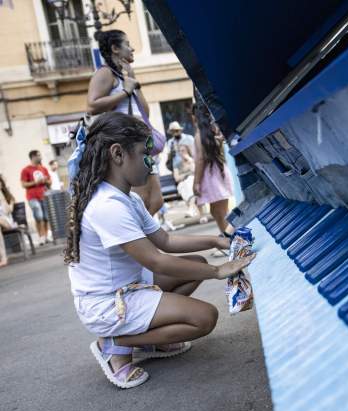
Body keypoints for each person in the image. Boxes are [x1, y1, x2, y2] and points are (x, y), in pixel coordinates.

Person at [65, 112, 255, 389]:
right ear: (118, 154)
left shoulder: (126, 198)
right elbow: (156, 260)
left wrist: (216, 241)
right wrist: (217, 271)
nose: (152, 162)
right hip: (107, 304)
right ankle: (116, 343)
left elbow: (165, 241)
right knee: (204, 318)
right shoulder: (107, 205)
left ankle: (149, 337)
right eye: (145, 153)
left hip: (128, 286)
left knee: (194, 265)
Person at [86, 29, 163, 215]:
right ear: (115, 48)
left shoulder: (125, 74)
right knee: (141, 199)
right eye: (127, 44)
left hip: (140, 141)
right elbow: (92, 105)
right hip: (126, 143)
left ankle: (143, 237)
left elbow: (145, 111)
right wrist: (125, 92)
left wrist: (133, 83)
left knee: (156, 200)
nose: (132, 48)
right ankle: (138, 241)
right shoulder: (105, 73)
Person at [193, 103, 234, 237]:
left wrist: (196, 183)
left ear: (196, 117)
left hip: (211, 176)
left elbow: (200, 160)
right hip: (218, 173)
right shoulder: (213, 131)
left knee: (220, 214)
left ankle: (234, 242)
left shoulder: (200, 135)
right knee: (218, 212)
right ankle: (228, 241)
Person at [20, 150, 51, 246]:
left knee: (46, 217)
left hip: (44, 196)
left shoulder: (43, 169)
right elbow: (23, 184)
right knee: (39, 216)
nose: (41, 157)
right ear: (33, 157)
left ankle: (46, 236)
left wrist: (45, 181)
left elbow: (50, 183)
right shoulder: (26, 170)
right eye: (39, 155)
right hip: (32, 197)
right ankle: (41, 237)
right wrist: (35, 182)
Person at [173, 144, 200, 218]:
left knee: (190, 180)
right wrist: (187, 175)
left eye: (183, 150)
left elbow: (195, 171)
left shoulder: (192, 160)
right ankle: (194, 211)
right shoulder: (177, 164)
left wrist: (190, 160)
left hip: (192, 182)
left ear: (188, 151)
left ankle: (191, 209)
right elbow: (177, 178)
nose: (182, 152)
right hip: (182, 184)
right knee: (187, 183)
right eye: (180, 151)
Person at [0, 174, 17, 268]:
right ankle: (3, 257)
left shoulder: (6, 195)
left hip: (8, 221)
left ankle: (4, 258)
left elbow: (8, 210)